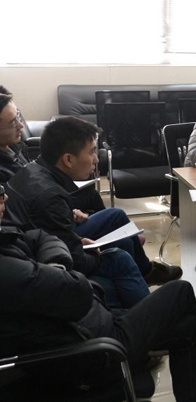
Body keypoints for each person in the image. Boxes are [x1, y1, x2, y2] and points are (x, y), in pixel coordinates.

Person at [0, 212, 196, 401]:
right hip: (93, 350)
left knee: (186, 326)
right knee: (181, 291)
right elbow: (78, 291)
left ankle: (194, 385)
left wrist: (54, 266)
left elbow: (41, 237)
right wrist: (60, 269)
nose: (6, 199)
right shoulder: (7, 271)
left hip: (85, 327)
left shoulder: (6, 241)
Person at [4, 117, 181, 306]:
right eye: (91, 152)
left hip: (37, 242)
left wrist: (75, 233)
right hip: (38, 260)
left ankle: (144, 275)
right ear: (68, 159)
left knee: (117, 220)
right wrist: (92, 251)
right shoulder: (50, 196)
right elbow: (75, 260)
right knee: (119, 257)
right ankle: (148, 314)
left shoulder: (33, 169)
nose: (96, 159)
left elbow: (49, 228)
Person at [0, 92, 105, 214]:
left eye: (18, 117)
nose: (20, 125)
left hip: (43, 194)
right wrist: (68, 213)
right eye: (12, 123)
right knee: (114, 215)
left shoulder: (14, 146)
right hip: (37, 210)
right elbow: (13, 211)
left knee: (91, 196)